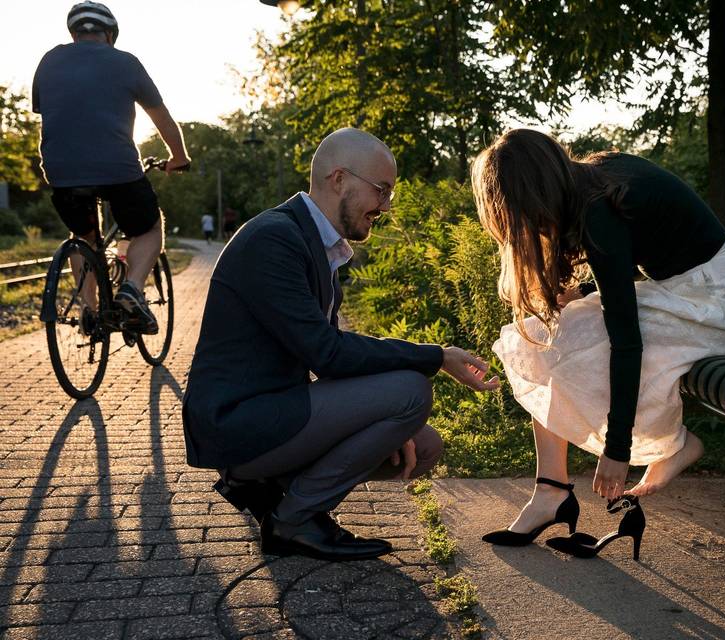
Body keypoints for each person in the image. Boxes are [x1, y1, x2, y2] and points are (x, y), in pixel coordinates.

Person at [182, 127, 499, 561]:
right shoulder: (275, 239)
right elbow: (327, 353)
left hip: (274, 412)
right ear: (339, 180)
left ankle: (275, 494)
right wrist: (436, 358)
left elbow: (329, 353)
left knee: (423, 445)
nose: (386, 205)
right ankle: (291, 518)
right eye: (381, 190)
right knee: (410, 391)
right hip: (238, 425)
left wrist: (383, 422)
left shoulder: (316, 245)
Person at [472, 129, 725, 549]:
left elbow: (627, 343)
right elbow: (643, 258)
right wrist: (586, 293)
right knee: (540, 334)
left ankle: (674, 447)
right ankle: (550, 491)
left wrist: (616, 450)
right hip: (677, 292)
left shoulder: (598, 211)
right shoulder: (595, 180)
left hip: (712, 307)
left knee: (574, 354)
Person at [32, 2, 190, 334]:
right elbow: (161, 118)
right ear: (111, 35)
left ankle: (91, 313)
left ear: (74, 34)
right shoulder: (126, 63)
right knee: (148, 227)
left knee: (84, 236)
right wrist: (178, 158)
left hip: (62, 174)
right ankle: (131, 290)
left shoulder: (48, 62)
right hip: (119, 170)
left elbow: (48, 118)